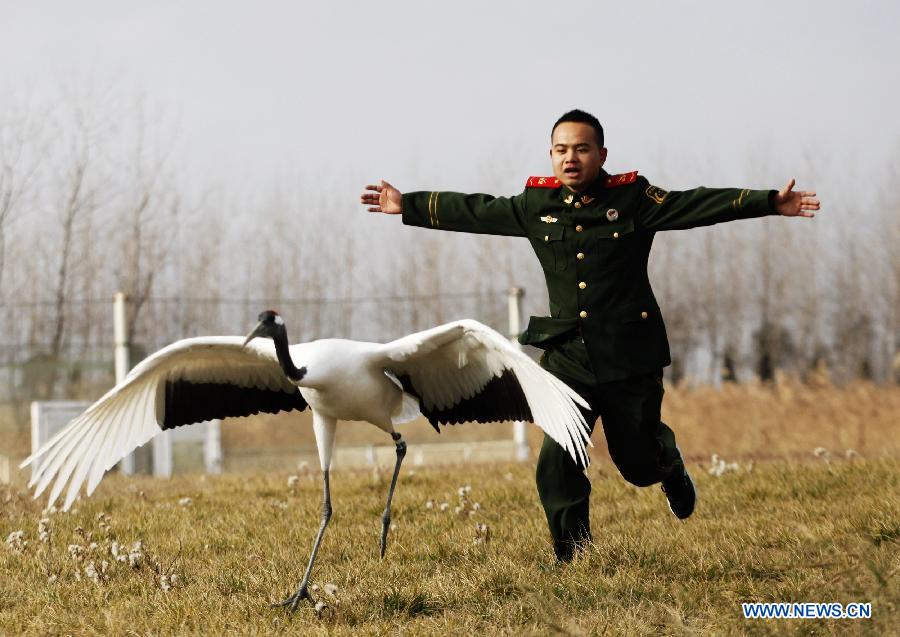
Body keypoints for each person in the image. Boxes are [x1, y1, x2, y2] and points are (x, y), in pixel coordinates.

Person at [360, 109, 819, 562]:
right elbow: (477, 210)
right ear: (551, 155)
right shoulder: (535, 205)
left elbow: (693, 205)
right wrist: (408, 205)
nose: (570, 158)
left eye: (581, 149)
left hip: (629, 357)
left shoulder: (634, 198)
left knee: (637, 464)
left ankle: (669, 464)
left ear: (601, 154)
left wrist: (767, 203)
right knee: (557, 460)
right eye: (561, 150)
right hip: (567, 358)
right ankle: (574, 556)